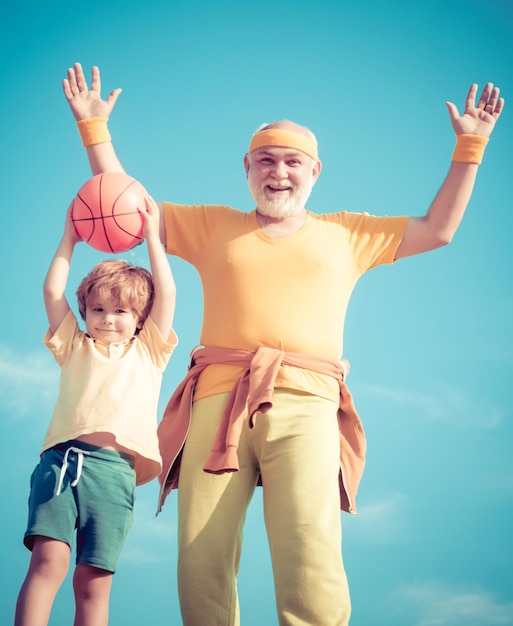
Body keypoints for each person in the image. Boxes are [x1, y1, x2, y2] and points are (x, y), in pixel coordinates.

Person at [62, 62, 503, 626]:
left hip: (307, 403)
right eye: (265, 160)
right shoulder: (213, 224)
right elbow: (127, 206)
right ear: (247, 169)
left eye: (293, 161)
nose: (279, 172)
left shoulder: (350, 232)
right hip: (216, 403)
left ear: (314, 171)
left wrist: (471, 145)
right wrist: (95, 131)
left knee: (308, 544)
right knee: (201, 553)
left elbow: (438, 228)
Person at [14, 197, 177, 626]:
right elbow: (52, 291)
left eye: (121, 311)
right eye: (98, 309)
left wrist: (152, 239)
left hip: (114, 473)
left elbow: (169, 292)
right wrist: (70, 237)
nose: (107, 319)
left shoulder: (149, 351)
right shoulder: (74, 344)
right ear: (85, 312)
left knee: (93, 580)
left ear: (140, 317)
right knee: (48, 562)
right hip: (61, 463)